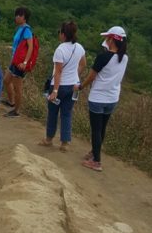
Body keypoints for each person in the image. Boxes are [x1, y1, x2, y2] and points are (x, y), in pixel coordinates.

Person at [79, 25, 128, 172]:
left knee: (96, 129)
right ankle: (94, 152)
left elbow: (92, 76)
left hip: (98, 97)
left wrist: (81, 87)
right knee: (102, 128)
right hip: (112, 98)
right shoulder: (124, 57)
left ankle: (96, 161)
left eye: (108, 37)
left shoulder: (103, 57)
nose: (105, 40)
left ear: (112, 40)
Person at [39, 21, 86, 152]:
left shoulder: (60, 49)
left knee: (53, 113)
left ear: (64, 35)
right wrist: (75, 75)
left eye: (60, 32)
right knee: (66, 114)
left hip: (59, 86)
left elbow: (58, 71)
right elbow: (83, 64)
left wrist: (55, 90)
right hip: (73, 86)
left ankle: (49, 139)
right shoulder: (79, 47)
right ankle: (65, 143)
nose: (59, 34)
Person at [3, 7, 34, 118]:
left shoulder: (27, 30)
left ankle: (16, 111)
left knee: (18, 87)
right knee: (6, 80)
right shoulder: (19, 28)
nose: (17, 17)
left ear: (25, 18)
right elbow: (19, 45)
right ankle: (12, 102)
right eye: (17, 15)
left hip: (20, 63)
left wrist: (25, 62)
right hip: (14, 60)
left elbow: (30, 47)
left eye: (19, 15)